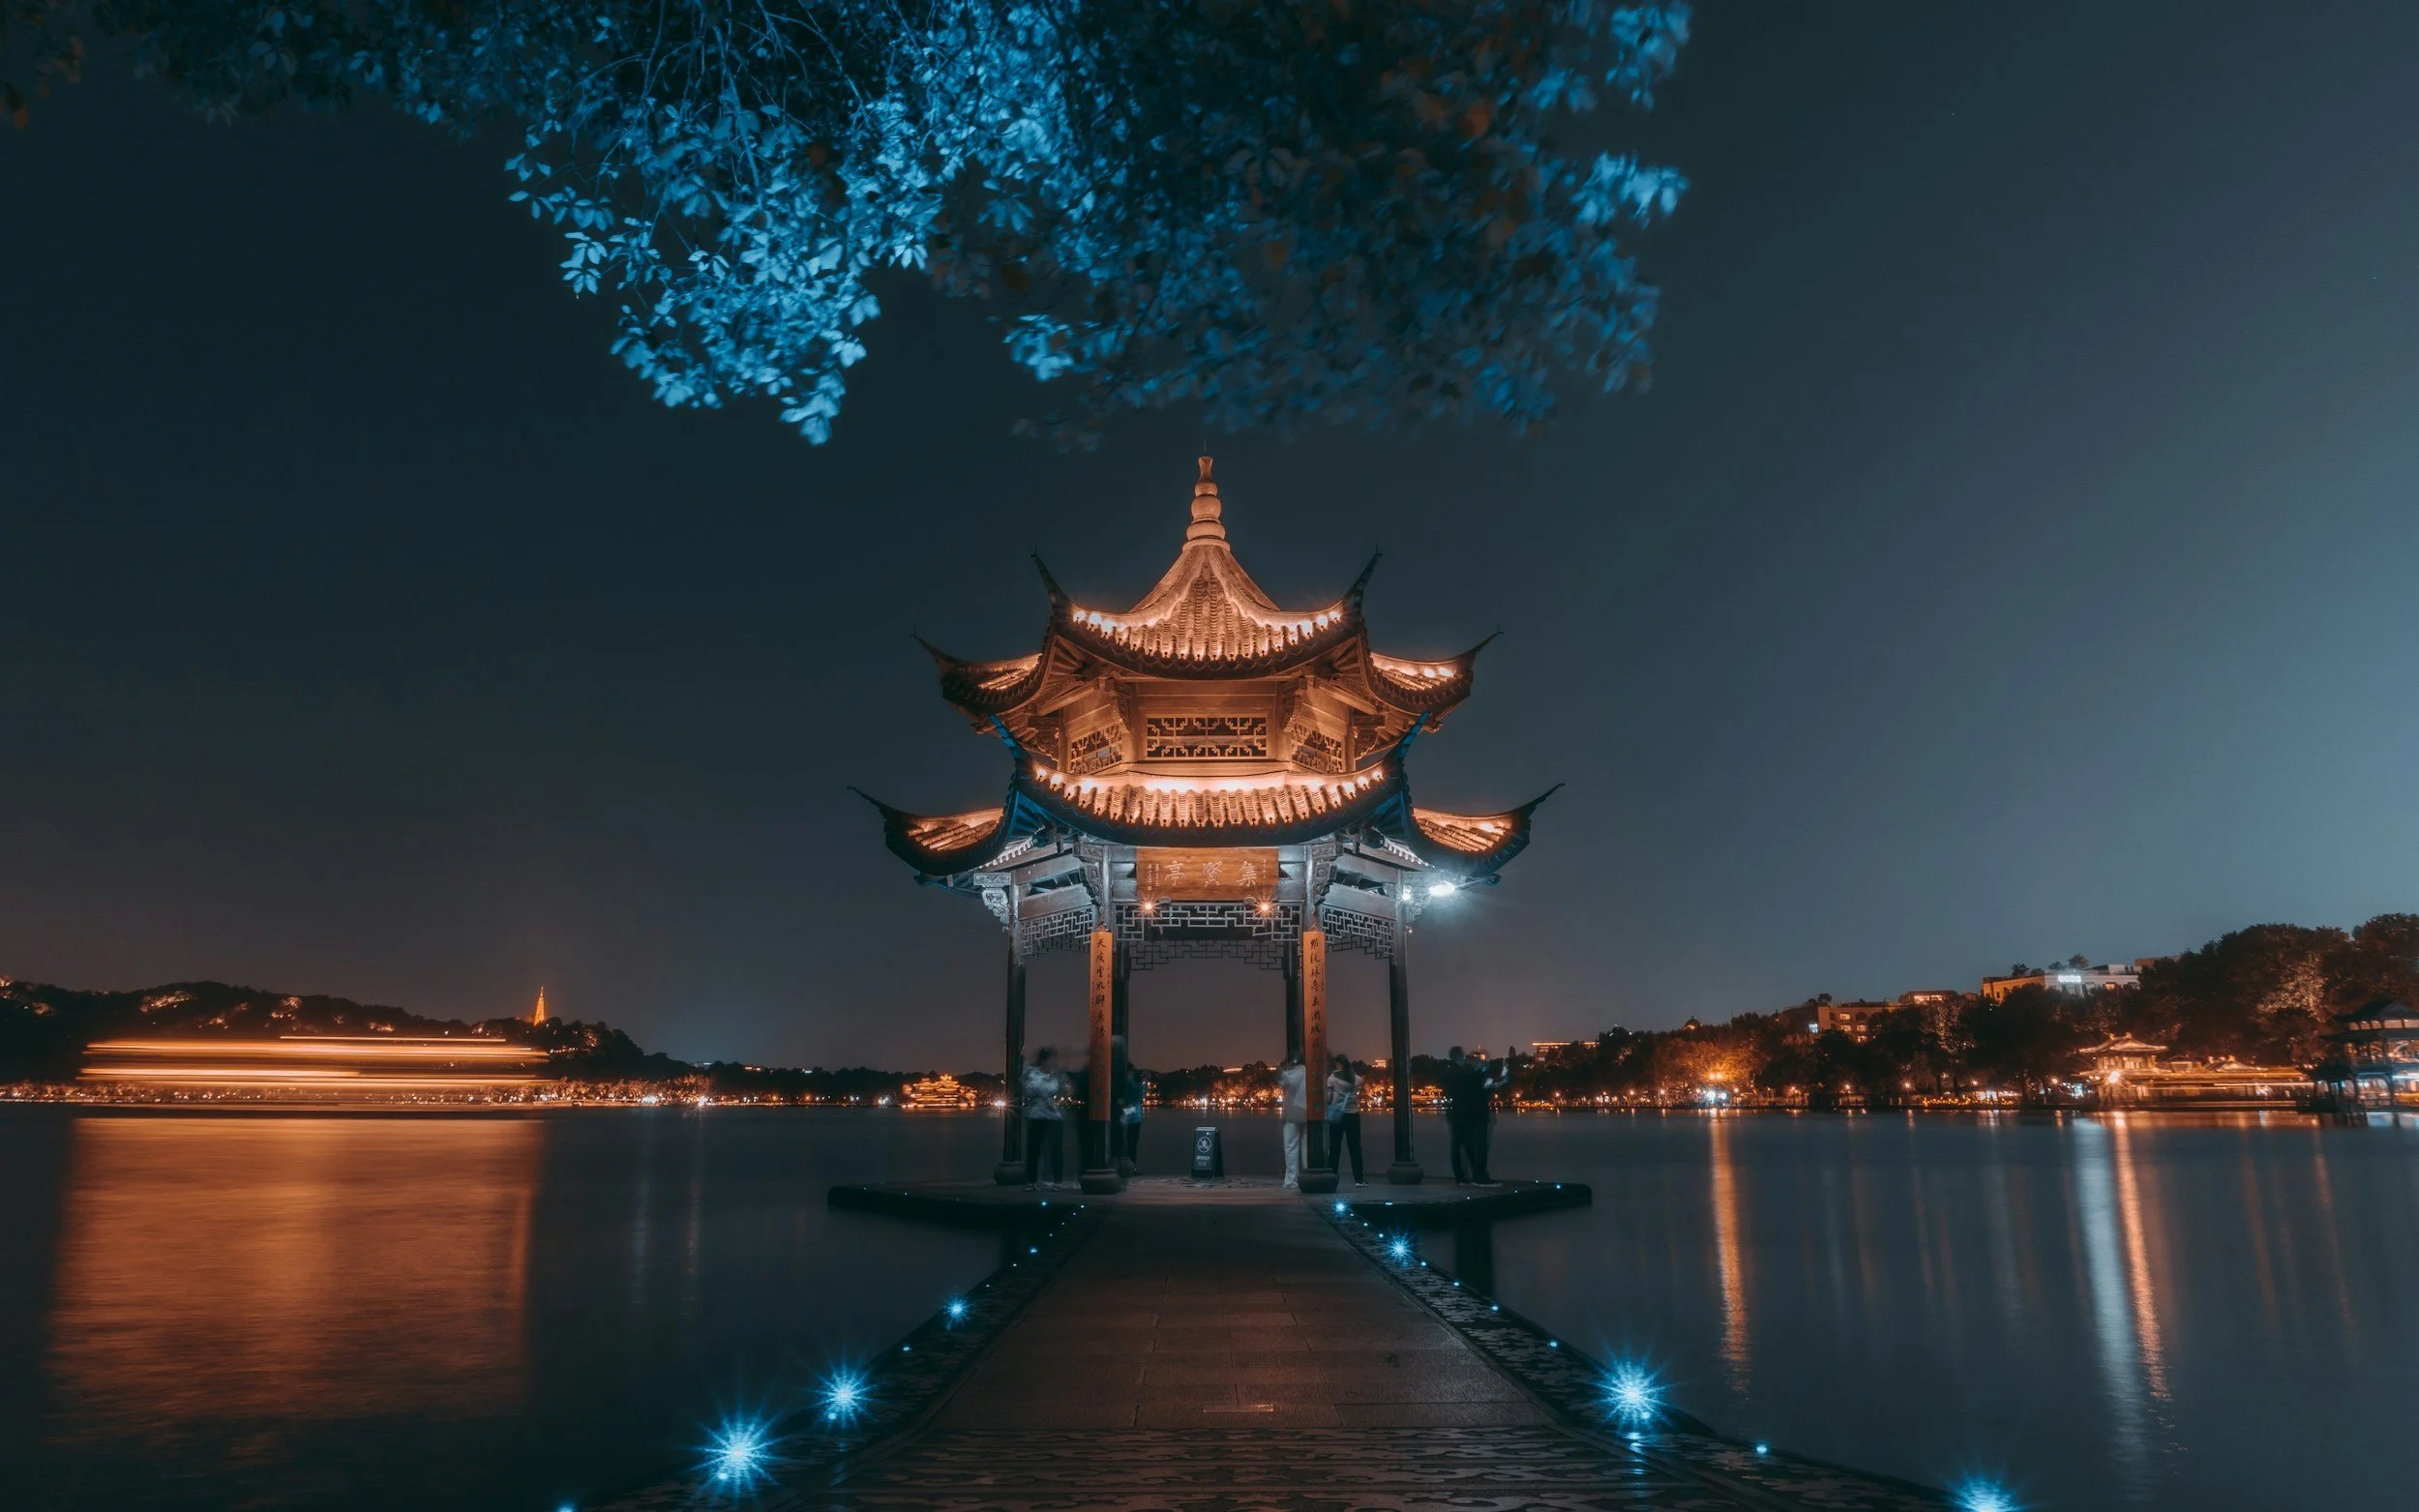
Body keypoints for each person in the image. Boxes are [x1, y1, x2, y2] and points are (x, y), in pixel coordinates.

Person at [1021, 1048, 1066, 1189]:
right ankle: (1032, 1181)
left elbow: (1062, 1091)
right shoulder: (1033, 1074)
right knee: (1034, 1149)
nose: (1054, 1062)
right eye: (1052, 1059)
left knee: (1055, 1149)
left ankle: (1057, 1181)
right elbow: (1031, 1090)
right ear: (1045, 1060)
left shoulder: (1057, 1075)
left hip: (1054, 1115)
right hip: (1037, 1114)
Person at [1325, 1053, 1366, 1186]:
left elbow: (1329, 1098)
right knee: (1355, 1147)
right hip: (1353, 1115)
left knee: (1334, 1147)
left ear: (1338, 1065)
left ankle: (1332, 1175)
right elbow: (1361, 1081)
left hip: (1337, 1115)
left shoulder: (1332, 1079)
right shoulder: (1355, 1079)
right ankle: (1359, 1178)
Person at [1277, 1056, 1308, 1189]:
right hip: (1308, 1114)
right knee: (1306, 1147)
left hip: (1291, 1114)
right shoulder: (1310, 1074)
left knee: (1290, 1146)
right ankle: (1307, 1175)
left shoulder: (1290, 1075)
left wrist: (1280, 1069)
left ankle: (1291, 1180)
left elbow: (1282, 1083)